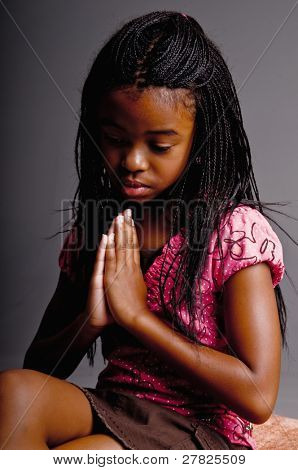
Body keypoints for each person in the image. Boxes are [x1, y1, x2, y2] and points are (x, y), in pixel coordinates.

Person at [0, 10, 294, 450]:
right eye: (115, 138)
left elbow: (258, 396)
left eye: (159, 146)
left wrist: (137, 318)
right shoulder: (102, 225)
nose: (132, 162)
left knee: (85, 456)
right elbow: (40, 366)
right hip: (115, 405)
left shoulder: (233, 234)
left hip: (195, 428)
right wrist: (91, 320)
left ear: (199, 139)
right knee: (13, 392)